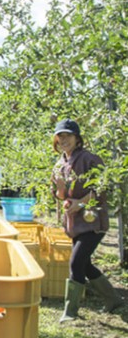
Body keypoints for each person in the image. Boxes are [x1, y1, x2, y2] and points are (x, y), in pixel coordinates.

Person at [50, 118, 123, 322]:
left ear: (77, 138)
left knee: (76, 262)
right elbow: (59, 195)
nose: (64, 140)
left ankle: (70, 312)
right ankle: (114, 300)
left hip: (93, 221)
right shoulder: (59, 165)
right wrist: (61, 190)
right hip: (75, 223)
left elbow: (101, 188)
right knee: (85, 264)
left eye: (68, 135)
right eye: (60, 136)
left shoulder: (90, 159)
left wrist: (80, 203)